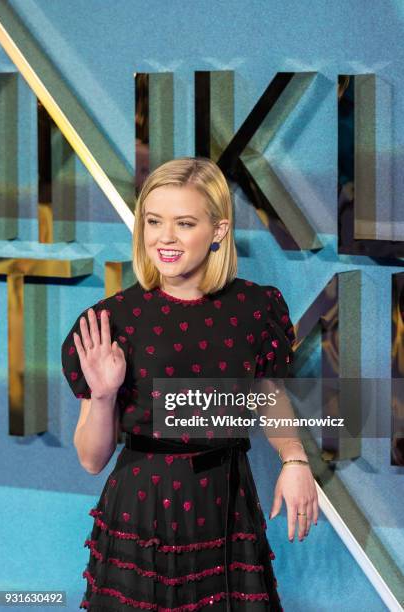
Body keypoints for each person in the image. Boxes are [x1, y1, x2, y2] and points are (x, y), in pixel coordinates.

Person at [61, 156, 319, 611]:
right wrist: (102, 396)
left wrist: (294, 460)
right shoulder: (112, 319)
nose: (165, 237)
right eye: (154, 221)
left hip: (225, 500)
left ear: (218, 230)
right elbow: (90, 460)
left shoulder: (257, 308)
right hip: (143, 504)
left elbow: (267, 395)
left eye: (184, 222)